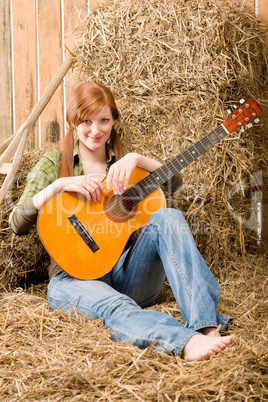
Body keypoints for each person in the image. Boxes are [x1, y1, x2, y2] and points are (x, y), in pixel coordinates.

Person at [10, 81, 235, 361]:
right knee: (118, 307)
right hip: (73, 279)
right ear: (72, 122)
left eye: (104, 120)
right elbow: (17, 223)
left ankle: (206, 325)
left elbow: (174, 183)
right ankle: (186, 343)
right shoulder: (54, 164)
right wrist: (60, 185)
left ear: (114, 121)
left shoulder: (126, 168)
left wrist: (137, 159)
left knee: (169, 216)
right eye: (86, 121)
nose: (96, 130)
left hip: (128, 274)